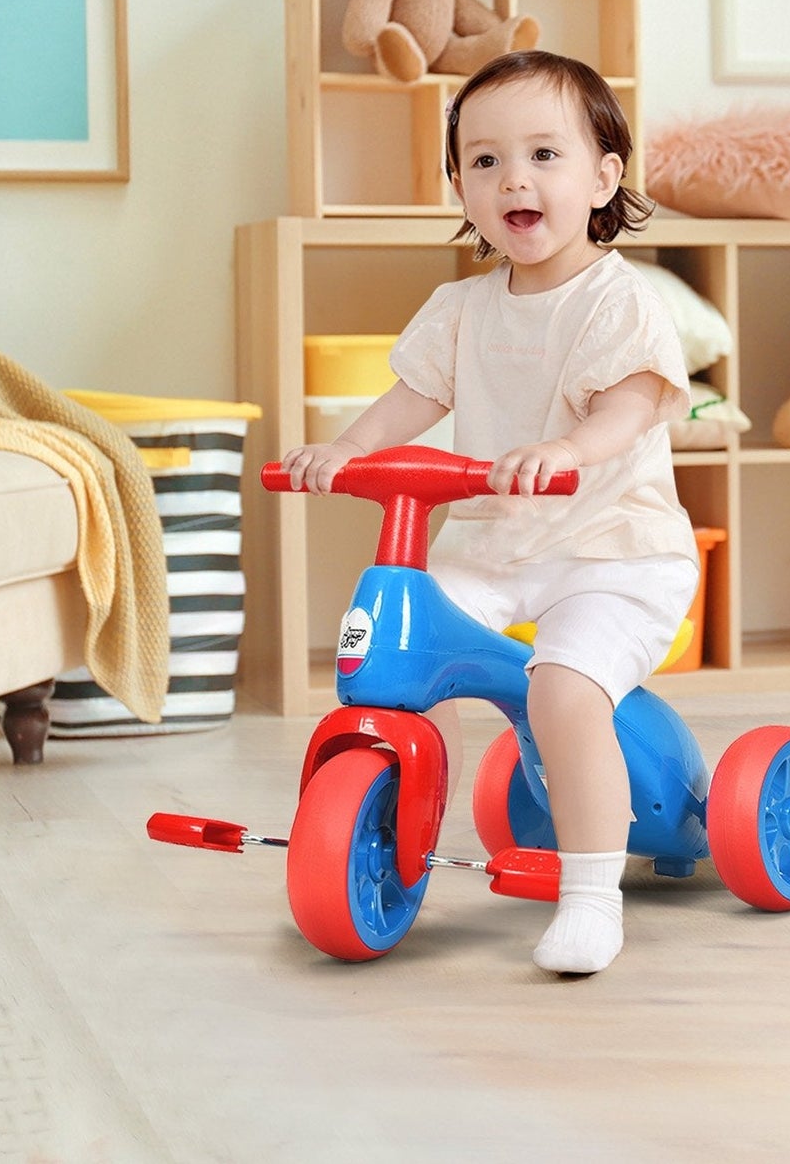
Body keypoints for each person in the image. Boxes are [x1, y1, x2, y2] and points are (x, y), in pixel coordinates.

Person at [282, 50, 698, 975]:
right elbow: (405, 405)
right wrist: (348, 450)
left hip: (611, 548)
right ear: (462, 188)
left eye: (545, 154)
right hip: (497, 537)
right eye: (484, 160)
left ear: (603, 176)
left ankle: (592, 893)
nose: (514, 177)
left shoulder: (619, 300)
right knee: (403, 660)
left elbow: (628, 409)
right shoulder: (461, 307)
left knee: (561, 684)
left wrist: (569, 448)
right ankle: (398, 839)